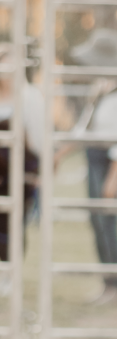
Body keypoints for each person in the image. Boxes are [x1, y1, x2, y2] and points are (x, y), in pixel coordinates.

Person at [67, 28, 117, 306]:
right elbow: (84, 129)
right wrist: (58, 153)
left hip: (110, 163)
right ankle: (108, 284)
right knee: (98, 223)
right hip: (95, 158)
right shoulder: (102, 90)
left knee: (107, 224)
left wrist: (114, 178)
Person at [0, 43, 45, 297]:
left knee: (14, 224)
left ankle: (10, 275)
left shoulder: (29, 97)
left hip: (19, 171)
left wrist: (36, 173)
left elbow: (37, 139)